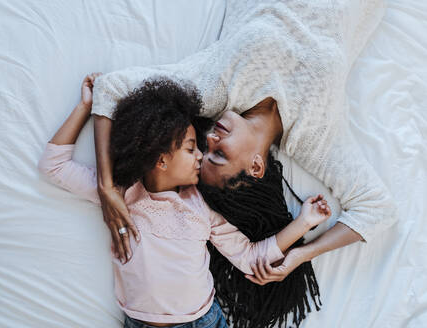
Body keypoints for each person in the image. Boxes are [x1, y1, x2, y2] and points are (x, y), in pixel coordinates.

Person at [89, 0, 398, 326]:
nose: (210, 139)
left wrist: (107, 186)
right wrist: (299, 256)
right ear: (255, 167)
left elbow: (111, 88)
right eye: (219, 155)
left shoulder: (214, 90)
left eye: (203, 148)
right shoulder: (314, 137)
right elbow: (378, 209)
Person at [38, 74, 332, 327]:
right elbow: (54, 166)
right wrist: (85, 107)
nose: (201, 156)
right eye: (191, 148)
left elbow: (250, 257)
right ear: (161, 159)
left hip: (202, 320)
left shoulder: (202, 208)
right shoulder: (120, 195)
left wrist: (303, 222)